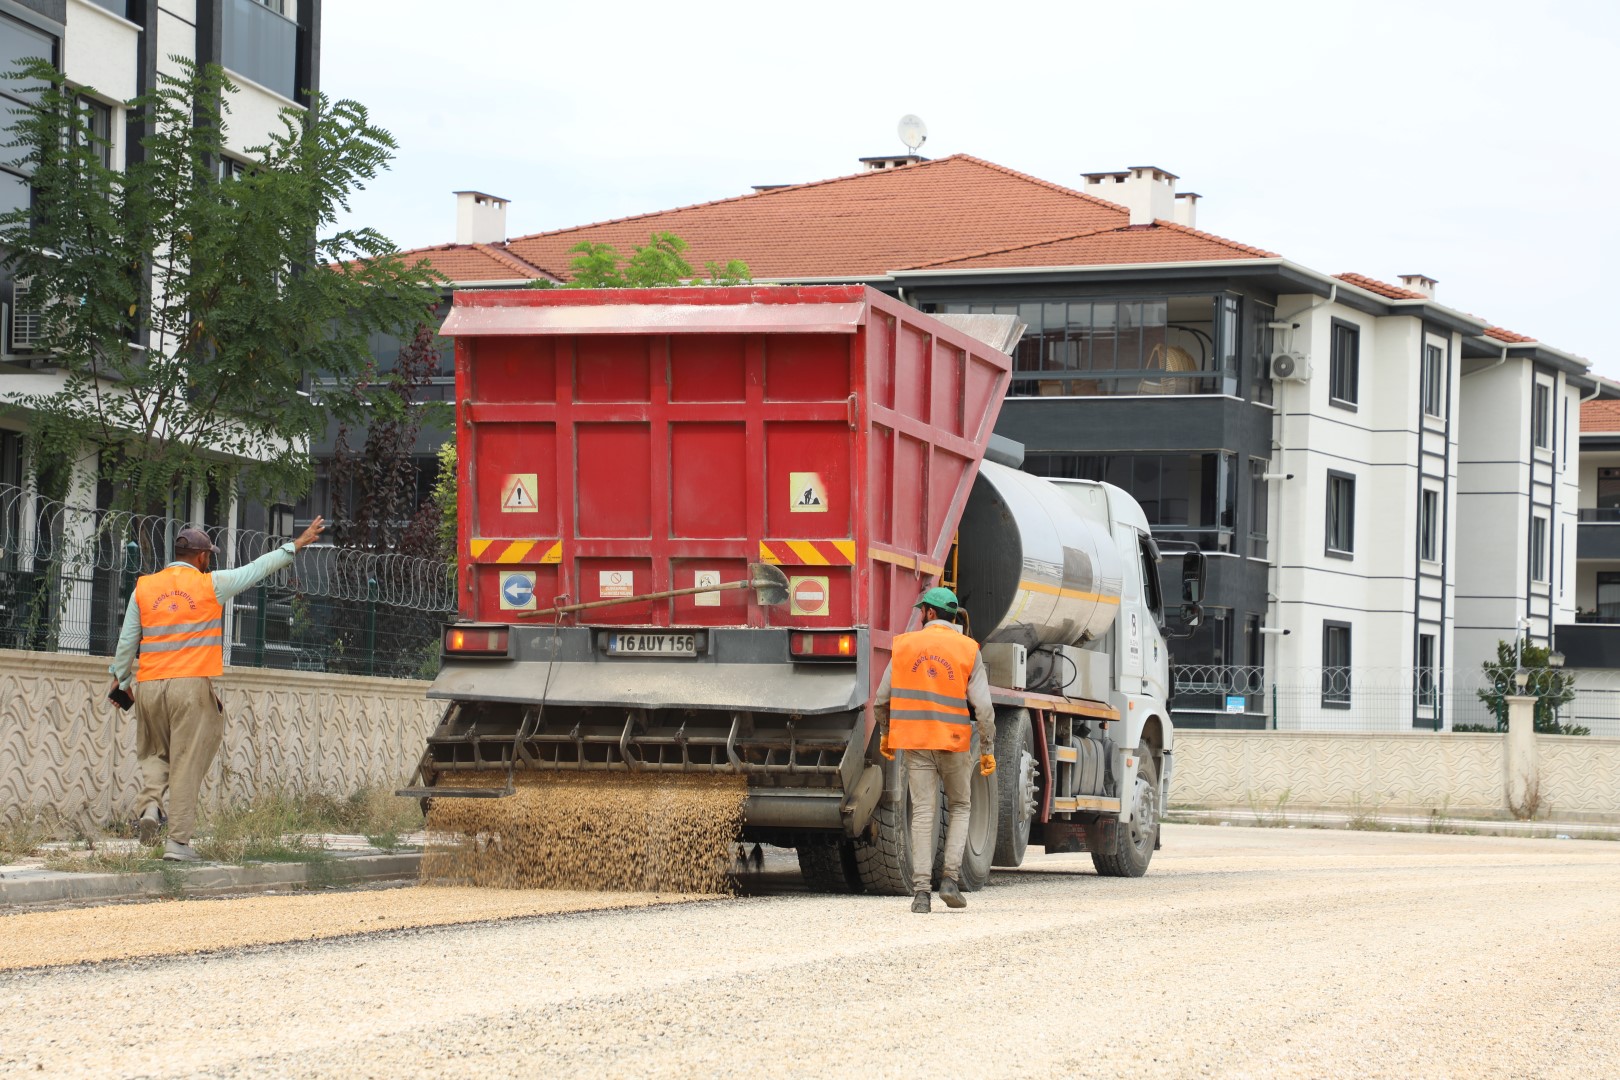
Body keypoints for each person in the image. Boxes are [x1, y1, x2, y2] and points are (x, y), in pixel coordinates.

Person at [109, 517, 326, 861]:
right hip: (190, 687)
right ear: (200, 557)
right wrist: (295, 545)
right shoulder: (211, 585)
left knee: (153, 753)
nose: (210, 559)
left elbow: (126, 643)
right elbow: (257, 569)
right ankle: (177, 843)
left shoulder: (144, 588)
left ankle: (150, 808)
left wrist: (121, 680)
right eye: (209, 554)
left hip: (148, 685)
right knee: (185, 759)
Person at [873, 586, 996, 913]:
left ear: (928, 613)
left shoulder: (904, 645)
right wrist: (987, 748)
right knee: (960, 805)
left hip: (915, 743)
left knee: (923, 813)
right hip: (953, 742)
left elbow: (881, 700)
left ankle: (921, 895)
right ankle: (951, 880)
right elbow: (983, 707)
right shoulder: (968, 649)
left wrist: (886, 735)